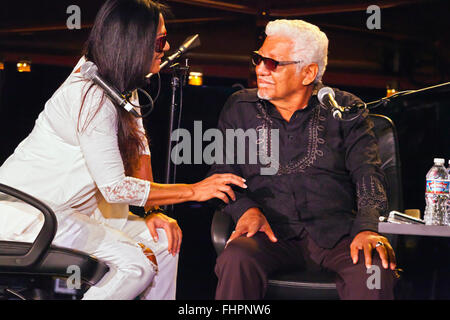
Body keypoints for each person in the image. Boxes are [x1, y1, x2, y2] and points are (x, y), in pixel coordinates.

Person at [0, 0, 245, 300]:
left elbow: (140, 155)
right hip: (33, 215)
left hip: (76, 212)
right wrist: (194, 191)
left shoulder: (124, 90)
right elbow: (115, 188)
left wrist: (154, 212)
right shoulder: (90, 96)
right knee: (136, 267)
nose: (166, 49)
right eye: (160, 41)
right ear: (133, 43)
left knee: (165, 242)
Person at [209, 19, 399, 300]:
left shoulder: (345, 109)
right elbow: (223, 172)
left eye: (273, 63)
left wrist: (368, 228)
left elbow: (368, 174)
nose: (260, 69)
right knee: (236, 259)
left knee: (374, 270)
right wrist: (246, 210)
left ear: (308, 72)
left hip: (337, 236)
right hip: (269, 232)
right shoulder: (240, 107)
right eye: (258, 59)